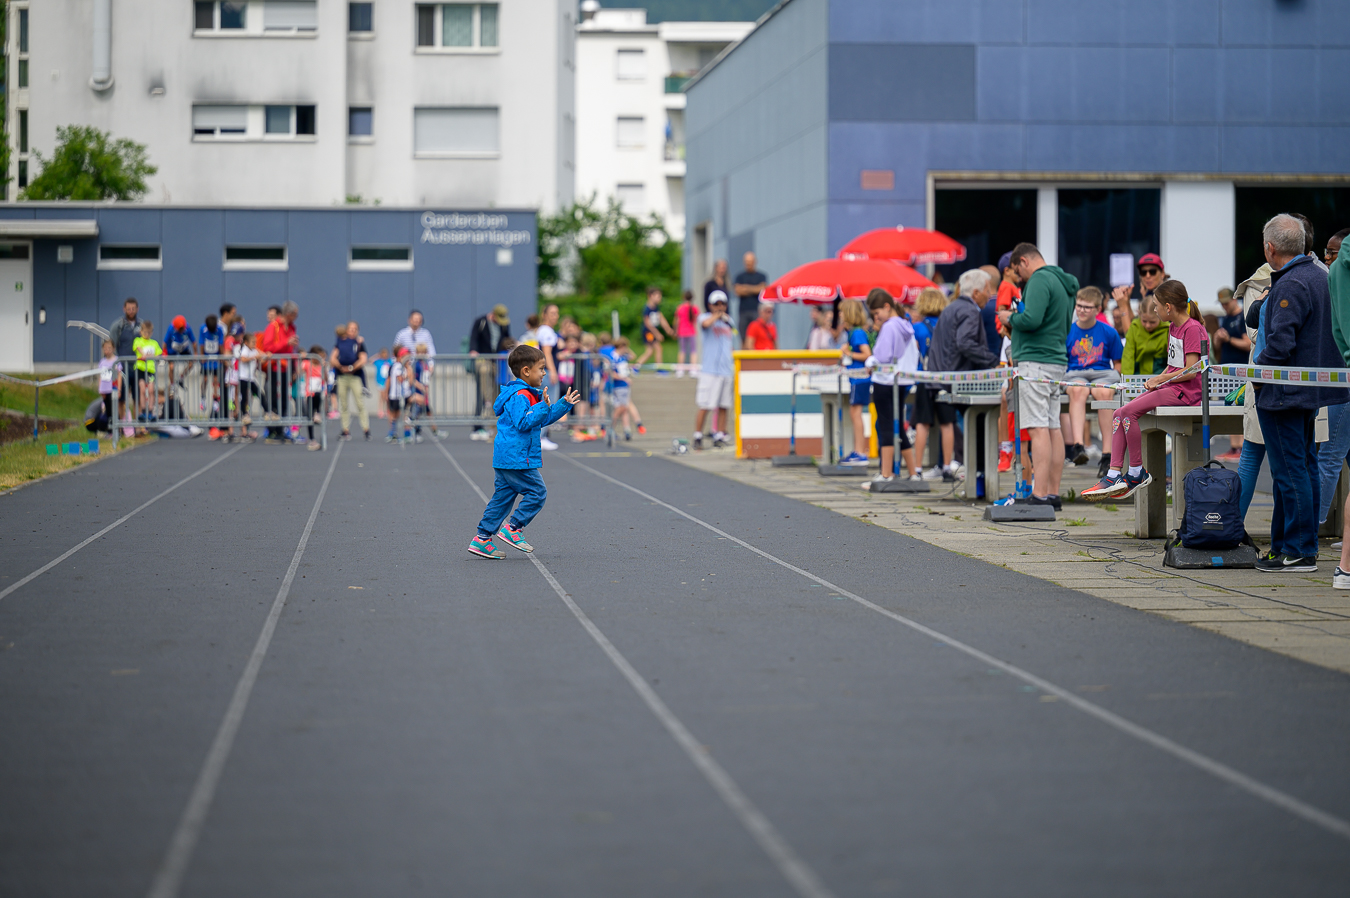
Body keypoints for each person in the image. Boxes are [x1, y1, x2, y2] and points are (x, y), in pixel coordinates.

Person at [1247, 214, 1348, 572]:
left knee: (1290, 473)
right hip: (1307, 389)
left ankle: (1298, 550)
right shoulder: (1320, 275)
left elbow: (1280, 343)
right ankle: (1289, 547)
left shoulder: (1290, 283)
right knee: (1304, 468)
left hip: (1282, 392)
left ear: (1269, 248)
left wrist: (1257, 375)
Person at [1084, 281, 1205, 501]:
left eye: (1157, 305)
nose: (1155, 310)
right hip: (1172, 387)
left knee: (1129, 413)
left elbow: (1191, 371)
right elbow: (1173, 366)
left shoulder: (1192, 329)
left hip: (1185, 394)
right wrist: (1160, 380)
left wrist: (1161, 378)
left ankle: (1136, 471)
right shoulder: (1174, 327)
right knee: (1119, 413)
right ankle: (1113, 474)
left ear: (1168, 307)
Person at [468, 344, 579, 560]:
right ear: (526, 371)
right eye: (541, 368)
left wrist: (562, 405)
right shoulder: (520, 395)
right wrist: (542, 406)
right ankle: (514, 527)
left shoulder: (525, 394)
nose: (544, 373)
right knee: (537, 492)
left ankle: (481, 539)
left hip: (507, 457)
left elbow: (540, 420)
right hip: (516, 458)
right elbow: (523, 422)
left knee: (502, 499)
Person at [996, 242, 1077, 509]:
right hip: (1055, 360)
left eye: (1018, 272)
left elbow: (1031, 319)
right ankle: (1052, 493)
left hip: (1035, 362)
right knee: (1052, 427)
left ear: (1024, 261)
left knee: (1038, 427)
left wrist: (1009, 318)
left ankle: (1039, 493)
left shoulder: (1040, 279)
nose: (1019, 278)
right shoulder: (1063, 281)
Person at [928, 269, 1001, 479]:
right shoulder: (970, 311)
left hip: (941, 377)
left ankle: (968, 472)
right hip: (958, 379)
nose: (990, 295)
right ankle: (980, 475)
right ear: (976, 292)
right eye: (987, 290)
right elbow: (965, 342)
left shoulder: (950, 308)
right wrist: (992, 362)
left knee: (953, 426)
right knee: (981, 424)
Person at [1060, 286, 1123, 475]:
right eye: (1079, 305)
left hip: (1101, 373)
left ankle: (1107, 454)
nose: (1082, 310)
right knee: (1077, 390)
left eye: (1087, 307)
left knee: (1104, 392)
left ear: (1097, 309)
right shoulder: (1068, 331)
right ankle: (1078, 446)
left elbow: (1118, 363)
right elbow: (1062, 361)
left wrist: (1115, 378)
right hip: (1076, 373)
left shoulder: (1108, 332)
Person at [863, 289, 919, 488]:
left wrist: (870, 360)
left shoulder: (889, 327)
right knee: (898, 426)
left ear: (887, 307)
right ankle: (913, 472)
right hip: (902, 381)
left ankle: (886, 473)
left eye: (877, 313)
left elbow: (883, 356)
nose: (876, 318)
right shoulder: (906, 325)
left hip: (885, 381)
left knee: (885, 426)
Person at [910, 287, 955, 480]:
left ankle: (918, 468)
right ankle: (947, 466)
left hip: (924, 377)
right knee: (947, 423)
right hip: (944, 378)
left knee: (922, 423)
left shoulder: (918, 328)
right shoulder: (948, 325)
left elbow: (914, 353)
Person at [1327, 227, 1350, 587]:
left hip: (1343, 372)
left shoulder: (1334, 273)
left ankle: (1346, 566)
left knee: (1329, 457)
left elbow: (1336, 330)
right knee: (1330, 458)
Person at [1212, 286, 1252, 460]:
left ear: (1234, 299)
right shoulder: (1227, 319)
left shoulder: (1243, 317)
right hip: (1227, 372)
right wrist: (1217, 340)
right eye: (1222, 304)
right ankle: (1234, 447)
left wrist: (1228, 339)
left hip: (1241, 371)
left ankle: (1242, 447)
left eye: (1226, 303)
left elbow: (1248, 344)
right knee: (1229, 406)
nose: (1224, 307)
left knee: (1240, 407)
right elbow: (1219, 348)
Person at [693, 291, 735, 450]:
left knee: (724, 405)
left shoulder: (728, 321)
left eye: (722, 304)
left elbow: (733, 338)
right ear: (710, 305)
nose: (720, 307)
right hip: (710, 370)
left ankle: (719, 434)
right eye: (716, 304)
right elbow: (705, 325)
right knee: (705, 404)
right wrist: (717, 315)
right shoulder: (704, 318)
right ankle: (698, 435)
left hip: (725, 370)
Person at [259, 300, 300, 442]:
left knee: (284, 400)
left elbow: (292, 350)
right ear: (288, 314)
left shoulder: (292, 327)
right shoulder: (273, 326)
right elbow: (268, 347)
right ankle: (272, 431)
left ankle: (281, 430)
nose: (296, 317)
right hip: (274, 367)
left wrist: (294, 367)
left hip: (286, 368)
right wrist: (286, 342)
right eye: (295, 314)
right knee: (273, 400)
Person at [837, 298, 872, 466]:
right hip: (856, 377)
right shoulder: (853, 333)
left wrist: (848, 353)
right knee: (854, 413)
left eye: (842, 312)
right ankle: (858, 451)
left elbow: (867, 354)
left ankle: (860, 451)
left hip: (860, 378)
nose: (840, 315)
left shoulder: (857, 333)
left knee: (855, 413)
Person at [469, 304, 512, 440]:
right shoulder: (481, 322)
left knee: (498, 393)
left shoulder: (504, 325)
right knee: (484, 373)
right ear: (493, 315)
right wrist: (473, 350)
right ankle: (479, 421)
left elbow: (507, 339)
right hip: (484, 358)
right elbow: (473, 338)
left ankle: (495, 426)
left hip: (497, 361)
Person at [1110, 252, 1166, 337]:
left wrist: (1123, 307)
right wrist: (1127, 301)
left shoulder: (1165, 298)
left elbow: (1132, 338)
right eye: (1143, 272)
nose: (1147, 276)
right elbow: (1136, 324)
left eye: (1152, 272)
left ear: (1162, 273)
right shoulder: (1149, 294)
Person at [332, 320, 370, 441]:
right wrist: (340, 367)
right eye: (350, 329)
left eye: (355, 329)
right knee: (343, 404)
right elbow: (333, 357)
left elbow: (363, 359)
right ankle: (345, 430)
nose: (352, 331)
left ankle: (366, 429)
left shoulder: (359, 344)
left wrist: (352, 368)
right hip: (342, 377)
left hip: (355, 377)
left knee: (360, 403)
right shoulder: (340, 342)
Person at [108, 298, 141, 418]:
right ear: (124, 309)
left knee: (138, 398)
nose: (131, 311)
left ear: (137, 309)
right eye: (128, 309)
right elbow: (112, 345)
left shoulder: (141, 325)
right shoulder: (118, 326)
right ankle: (121, 424)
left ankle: (137, 424)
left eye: (133, 309)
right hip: (122, 368)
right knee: (121, 398)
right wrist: (116, 364)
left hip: (137, 367)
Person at [733, 252, 768, 338]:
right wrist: (755, 288)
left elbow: (762, 289)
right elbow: (738, 291)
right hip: (743, 311)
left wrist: (745, 288)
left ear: (755, 262)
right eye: (746, 262)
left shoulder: (761, 276)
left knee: (757, 336)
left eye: (750, 261)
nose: (748, 264)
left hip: (757, 311)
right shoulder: (739, 277)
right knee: (743, 337)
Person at [636, 288, 675, 365]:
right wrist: (657, 334)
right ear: (651, 296)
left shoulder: (656, 308)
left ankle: (636, 366)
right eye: (658, 296)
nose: (660, 298)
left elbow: (661, 319)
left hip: (652, 332)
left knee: (650, 351)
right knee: (658, 348)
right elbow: (647, 323)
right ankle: (659, 367)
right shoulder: (647, 308)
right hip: (648, 332)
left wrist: (668, 329)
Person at [133, 320, 161, 421]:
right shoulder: (138, 340)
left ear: (151, 333)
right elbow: (138, 348)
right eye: (145, 332)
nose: (146, 334)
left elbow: (158, 354)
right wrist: (144, 354)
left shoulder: (154, 343)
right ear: (141, 332)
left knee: (151, 390)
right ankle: (143, 411)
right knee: (142, 389)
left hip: (150, 370)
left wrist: (151, 356)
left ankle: (150, 411)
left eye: (149, 332)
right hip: (140, 368)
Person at [385, 347, 411, 442]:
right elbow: (400, 379)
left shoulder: (404, 367)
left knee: (405, 414)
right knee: (395, 415)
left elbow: (410, 382)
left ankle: (407, 434)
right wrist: (408, 372)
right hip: (396, 395)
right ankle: (392, 433)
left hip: (404, 395)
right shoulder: (397, 366)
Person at [96, 339, 122, 426]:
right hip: (104, 388)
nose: (107, 350)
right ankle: (109, 426)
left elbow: (119, 375)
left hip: (113, 388)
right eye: (105, 348)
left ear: (113, 348)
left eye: (109, 348)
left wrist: (119, 389)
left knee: (114, 408)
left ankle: (117, 427)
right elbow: (100, 376)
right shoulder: (102, 362)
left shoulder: (116, 361)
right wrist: (100, 388)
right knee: (107, 408)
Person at [674, 290, 700, 373]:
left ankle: (680, 369)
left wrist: (675, 331)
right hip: (691, 331)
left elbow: (677, 321)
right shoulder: (695, 308)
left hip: (682, 332)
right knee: (693, 350)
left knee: (682, 350)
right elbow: (696, 319)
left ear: (684, 297)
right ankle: (693, 368)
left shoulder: (680, 308)